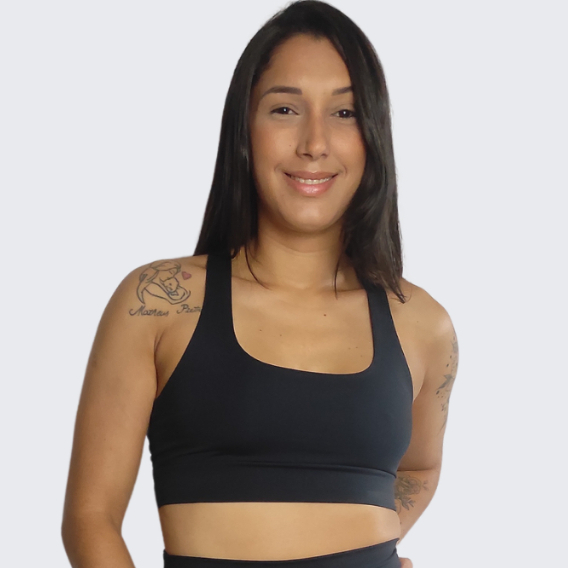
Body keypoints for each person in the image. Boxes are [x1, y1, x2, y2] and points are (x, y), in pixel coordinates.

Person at [61, 2, 458, 567]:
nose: (314, 143)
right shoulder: (160, 303)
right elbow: (90, 519)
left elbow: (421, 466)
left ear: (373, 134)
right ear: (244, 129)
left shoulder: (421, 322)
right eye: (285, 109)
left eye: (345, 112)